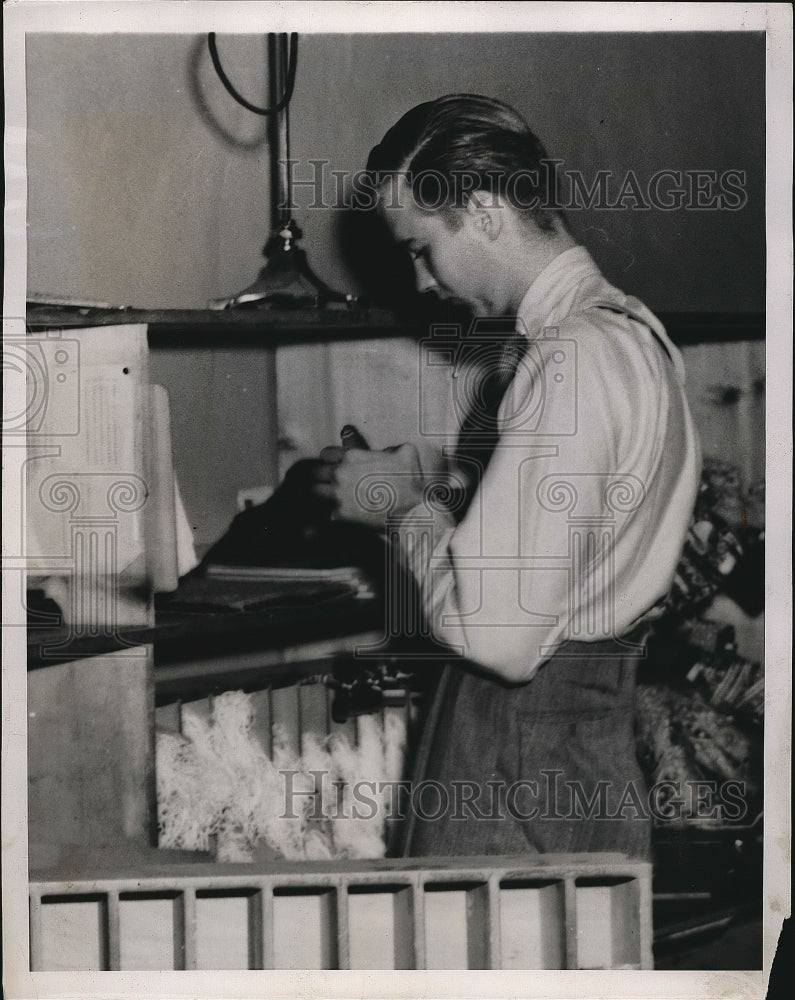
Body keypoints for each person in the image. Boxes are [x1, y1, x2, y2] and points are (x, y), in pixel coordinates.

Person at [210, 94, 701, 859]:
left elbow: (500, 638)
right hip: (585, 733)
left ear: (481, 209)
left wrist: (401, 510)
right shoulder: (635, 337)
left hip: (516, 744)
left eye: (418, 247)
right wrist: (441, 500)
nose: (421, 283)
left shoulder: (565, 360)